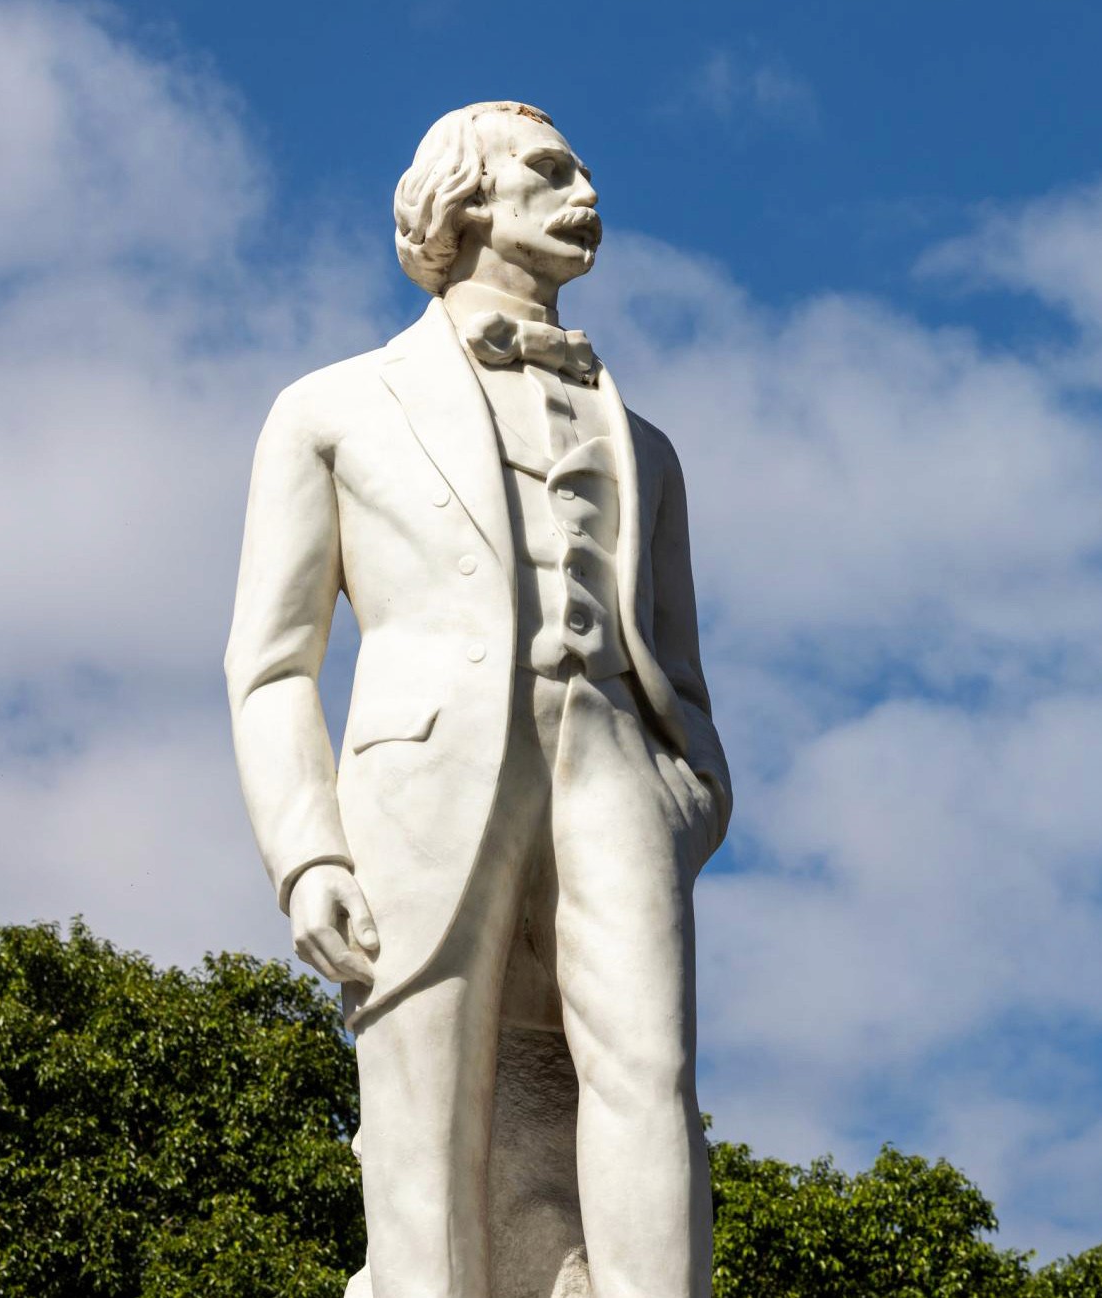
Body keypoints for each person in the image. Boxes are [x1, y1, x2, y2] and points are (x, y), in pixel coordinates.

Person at [225, 101, 730, 1298]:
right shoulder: (331, 407)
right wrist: (308, 852)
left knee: (648, 1069)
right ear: (467, 204)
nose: (586, 191)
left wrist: (686, 795)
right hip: (423, 776)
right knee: (424, 1086)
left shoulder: (645, 445)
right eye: (551, 173)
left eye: (586, 171)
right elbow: (271, 665)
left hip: (616, 767)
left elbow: (680, 662)